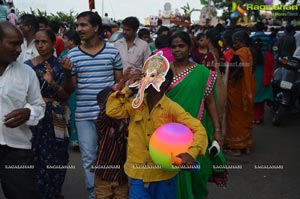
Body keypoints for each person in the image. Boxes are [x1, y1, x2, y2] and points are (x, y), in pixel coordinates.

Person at [106, 53, 208, 199]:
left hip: (163, 176)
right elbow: (112, 110)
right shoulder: (136, 103)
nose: (146, 80)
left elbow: (198, 129)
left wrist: (191, 153)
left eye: (151, 76)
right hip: (138, 173)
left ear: (164, 82)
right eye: (145, 75)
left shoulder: (172, 108)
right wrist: (128, 87)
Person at [63, 11, 123, 199]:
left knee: (113, 154)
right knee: (89, 156)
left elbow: (119, 84)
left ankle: (114, 188)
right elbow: (71, 88)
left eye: (83, 25)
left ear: (96, 27)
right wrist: (66, 73)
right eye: (77, 25)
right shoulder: (72, 55)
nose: (78, 29)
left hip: (110, 115)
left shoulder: (112, 51)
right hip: (84, 115)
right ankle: (95, 192)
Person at [166, 31, 227, 199]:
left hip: (195, 132)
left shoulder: (201, 72)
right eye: (174, 46)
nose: (177, 50)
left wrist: (217, 130)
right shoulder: (163, 71)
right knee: (172, 174)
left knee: (198, 173)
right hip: (168, 132)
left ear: (189, 47)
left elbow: (210, 102)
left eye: (181, 46)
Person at [0, 21, 45, 199]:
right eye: (13, 43)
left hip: (17, 150)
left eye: (20, 44)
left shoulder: (26, 72)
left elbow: (39, 105)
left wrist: (28, 112)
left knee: (23, 194)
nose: (19, 49)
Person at [24, 29, 70, 199]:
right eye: (37, 42)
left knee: (55, 158)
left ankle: (53, 192)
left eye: (44, 42)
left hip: (53, 118)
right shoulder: (27, 66)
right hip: (31, 117)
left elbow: (66, 96)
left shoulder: (61, 66)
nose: (40, 45)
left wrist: (53, 84)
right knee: (31, 156)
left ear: (52, 44)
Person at [93, 87, 129, 199]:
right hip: (104, 175)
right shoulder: (103, 123)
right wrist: (116, 94)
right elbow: (106, 113)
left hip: (121, 176)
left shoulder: (126, 121)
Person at [225, 30, 256, 156]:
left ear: (241, 41)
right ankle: (246, 145)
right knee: (245, 116)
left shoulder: (240, 53)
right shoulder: (250, 51)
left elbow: (239, 69)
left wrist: (231, 78)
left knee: (235, 118)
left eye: (235, 42)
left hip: (238, 90)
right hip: (249, 89)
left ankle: (236, 148)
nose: (234, 45)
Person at [59, 29, 81, 148]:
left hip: (76, 88)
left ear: (72, 41)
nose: (63, 41)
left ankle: (77, 139)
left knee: (75, 113)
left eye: (65, 38)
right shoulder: (63, 53)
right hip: (65, 86)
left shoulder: (79, 53)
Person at [252, 38, 274, 124]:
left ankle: (256, 117)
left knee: (254, 101)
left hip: (254, 79)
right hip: (264, 80)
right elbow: (272, 66)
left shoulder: (251, 55)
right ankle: (259, 117)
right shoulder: (267, 54)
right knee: (261, 102)